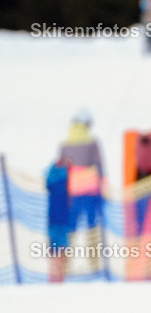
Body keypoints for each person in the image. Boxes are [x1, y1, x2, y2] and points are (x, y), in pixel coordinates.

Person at [58, 111, 105, 277]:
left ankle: (66, 266)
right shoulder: (93, 143)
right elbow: (99, 166)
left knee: (71, 229)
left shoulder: (64, 144)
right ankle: (95, 264)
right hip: (91, 193)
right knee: (93, 228)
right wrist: (103, 185)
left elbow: (60, 170)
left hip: (72, 193)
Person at [45, 157, 72, 283]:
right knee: (60, 253)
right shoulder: (65, 181)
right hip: (61, 222)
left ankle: (55, 278)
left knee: (55, 253)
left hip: (53, 222)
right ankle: (58, 279)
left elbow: (48, 177)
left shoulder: (52, 181)